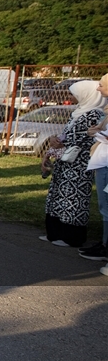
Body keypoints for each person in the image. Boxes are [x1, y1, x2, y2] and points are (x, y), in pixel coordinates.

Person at [42, 80, 107, 247]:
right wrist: (55, 141)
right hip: (66, 160)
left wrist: (64, 141)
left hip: (79, 163)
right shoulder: (79, 112)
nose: (71, 97)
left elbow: (87, 136)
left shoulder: (94, 114)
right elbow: (69, 133)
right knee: (59, 195)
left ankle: (71, 236)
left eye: (74, 94)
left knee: (73, 198)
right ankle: (55, 232)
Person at [79, 75, 108, 269]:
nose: (98, 89)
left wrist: (99, 133)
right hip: (102, 160)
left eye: (102, 85)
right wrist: (97, 132)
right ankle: (105, 243)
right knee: (104, 207)